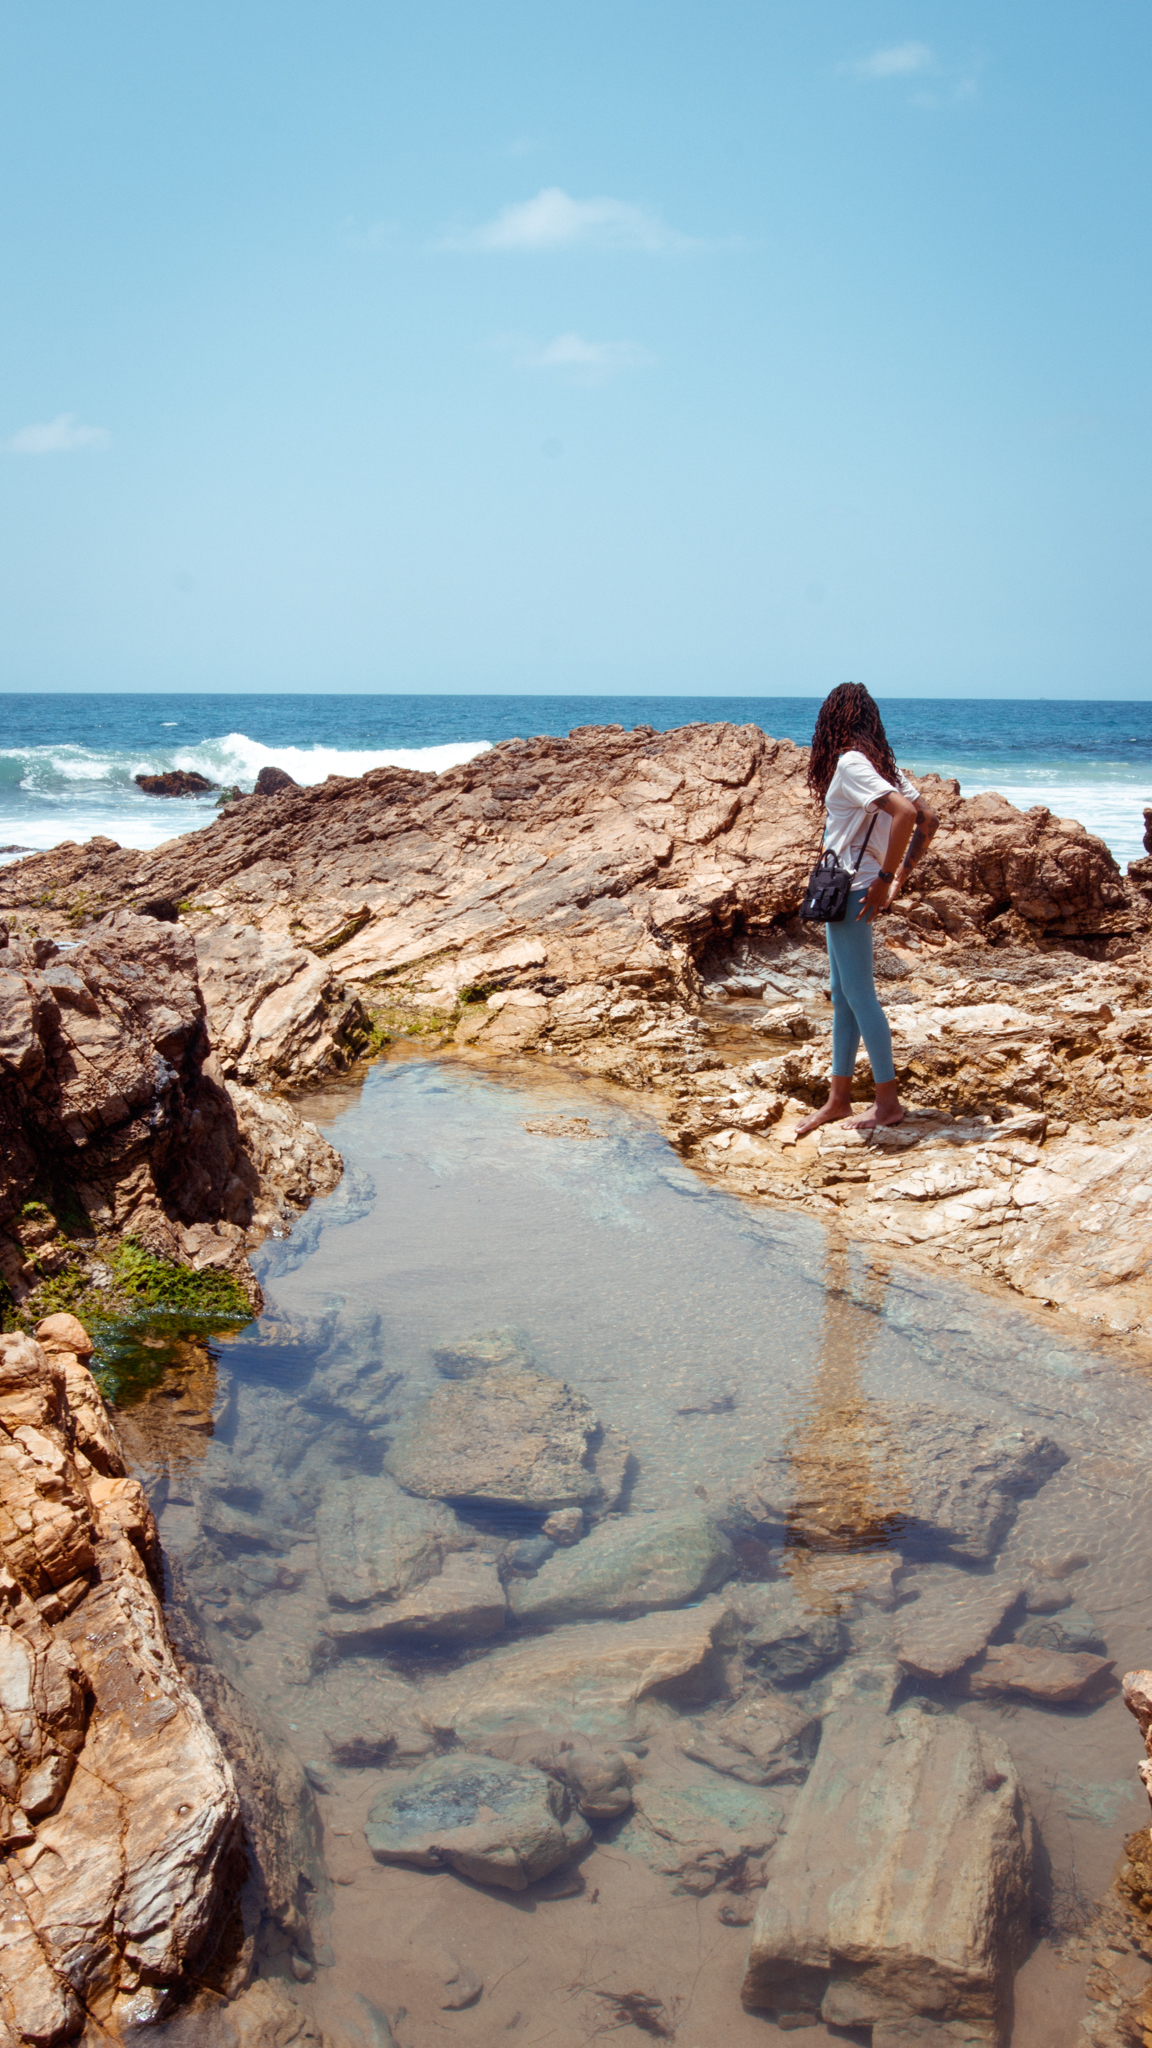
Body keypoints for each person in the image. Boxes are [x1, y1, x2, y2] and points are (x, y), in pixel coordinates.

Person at [795, 682, 938, 1136]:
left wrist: (883, 880)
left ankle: (887, 1103)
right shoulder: (883, 767)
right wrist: (898, 878)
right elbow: (929, 817)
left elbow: (908, 816)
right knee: (842, 997)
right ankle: (838, 1099)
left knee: (860, 998)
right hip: (856, 889)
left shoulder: (852, 763)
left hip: (852, 890)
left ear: (832, 721)